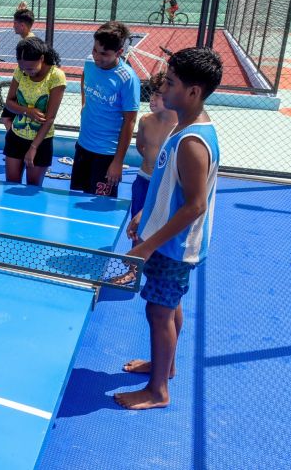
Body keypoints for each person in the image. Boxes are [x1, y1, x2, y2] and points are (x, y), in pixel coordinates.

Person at [114, 47, 222, 411]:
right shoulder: (183, 125)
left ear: (193, 92)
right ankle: (166, 366)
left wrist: (147, 245)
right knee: (169, 306)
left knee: (158, 312)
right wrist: (142, 217)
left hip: (175, 248)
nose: (164, 87)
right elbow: (167, 187)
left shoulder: (193, 142)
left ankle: (157, 390)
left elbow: (195, 205)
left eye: (172, 83)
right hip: (167, 241)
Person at [71, 21, 140, 198]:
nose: (96, 57)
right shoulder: (89, 62)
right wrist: (84, 102)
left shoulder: (127, 79)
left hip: (107, 155)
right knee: (76, 200)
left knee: (99, 206)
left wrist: (117, 162)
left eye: (104, 54)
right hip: (83, 147)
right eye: (95, 50)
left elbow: (130, 121)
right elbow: (85, 76)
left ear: (119, 53)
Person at [2, 37, 66, 186]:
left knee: (32, 189)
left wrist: (33, 148)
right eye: (22, 68)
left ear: (42, 58)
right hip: (16, 137)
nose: (26, 72)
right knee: (11, 185)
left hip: (40, 142)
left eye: (30, 68)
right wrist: (27, 111)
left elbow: (49, 118)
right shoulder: (20, 71)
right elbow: (9, 102)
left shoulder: (56, 76)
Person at [131, 71, 178, 226]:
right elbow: (140, 146)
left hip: (165, 186)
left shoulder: (180, 129)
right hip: (143, 180)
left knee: (159, 228)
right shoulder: (145, 121)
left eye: (158, 94)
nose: (152, 98)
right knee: (137, 227)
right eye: (152, 93)